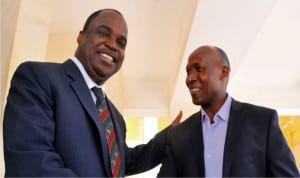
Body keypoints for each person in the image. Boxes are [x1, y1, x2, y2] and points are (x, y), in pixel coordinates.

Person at [3, 9, 181, 177]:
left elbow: (123, 162)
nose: (112, 45)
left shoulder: (116, 118)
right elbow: (31, 162)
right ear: (81, 37)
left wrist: (168, 137)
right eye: (103, 33)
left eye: (121, 43)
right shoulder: (38, 77)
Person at [157, 45, 299, 177]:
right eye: (188, 71)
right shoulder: (179, 135)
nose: (190, 78)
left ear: (223, 72)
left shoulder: (262, 122)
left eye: (198, 69)